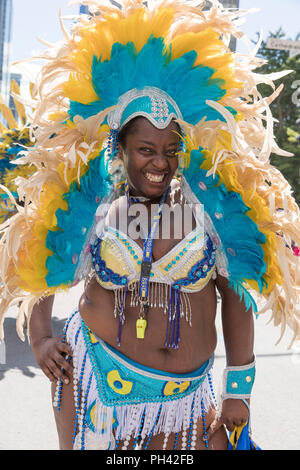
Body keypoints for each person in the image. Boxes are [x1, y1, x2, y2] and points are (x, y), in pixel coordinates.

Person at [0, 0, 299, 451]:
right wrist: (41, 338)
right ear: (120, 147)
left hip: (185, 398)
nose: (160, 162)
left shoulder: (209, 210)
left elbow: (236, 297)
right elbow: (43, 255)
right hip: (94, 380)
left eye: (171, 149)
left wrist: (239, 387)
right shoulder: (92, 203)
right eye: (145, 149)